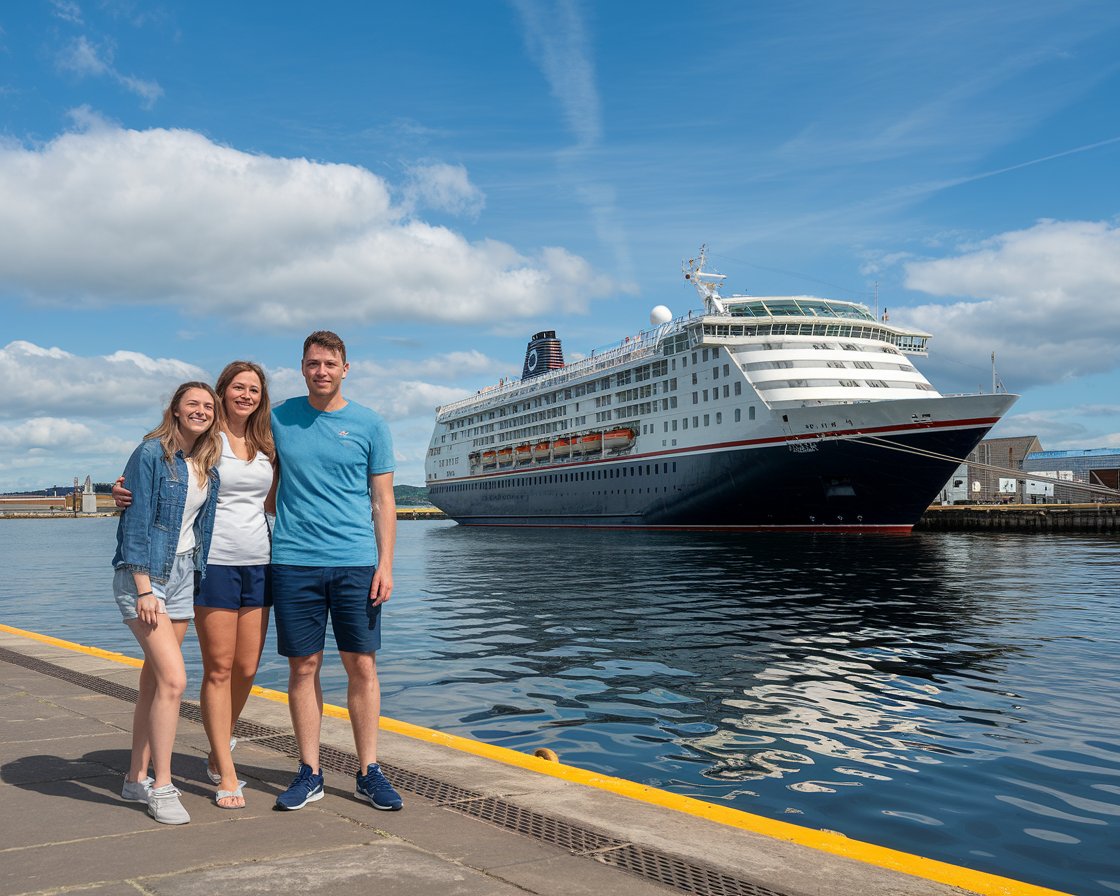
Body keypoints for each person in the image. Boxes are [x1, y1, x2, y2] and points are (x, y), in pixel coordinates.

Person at [115, 361, 276, 811]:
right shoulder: (181, 447)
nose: (245, 395)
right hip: (189, 569)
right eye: (236, 389)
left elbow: (272, 497)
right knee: (192, 674)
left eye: (254, 390)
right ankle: (192, 779)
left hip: (230, 565)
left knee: (221, 672)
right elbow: (144, 505)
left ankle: (148, 771)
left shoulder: (247, 445)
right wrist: (121, 493)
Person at [270, 330, 402, 811]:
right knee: (303, 666)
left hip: (355, 562)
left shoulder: (370, 424)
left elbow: (383, 501)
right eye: (311, 364)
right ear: (301, 368)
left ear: (346, 368)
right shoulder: (278, 418)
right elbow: (223, 452)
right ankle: (310, 771)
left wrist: (385, 564)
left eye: (329, 363)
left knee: (362, 666)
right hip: (293, 560)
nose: (320, 371)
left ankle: (369, 771)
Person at [113, 382, 222, 825]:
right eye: (192, 404)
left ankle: (134, 777)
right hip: (147, 576)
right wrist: (143, 588)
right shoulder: (151, 453)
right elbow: (136, 521)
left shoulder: (205, 462)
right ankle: (163, 785)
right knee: (175, 681)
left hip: (183, 575)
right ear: (175, 410)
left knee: (155, 683)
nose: (200, 410)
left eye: (207, 406)